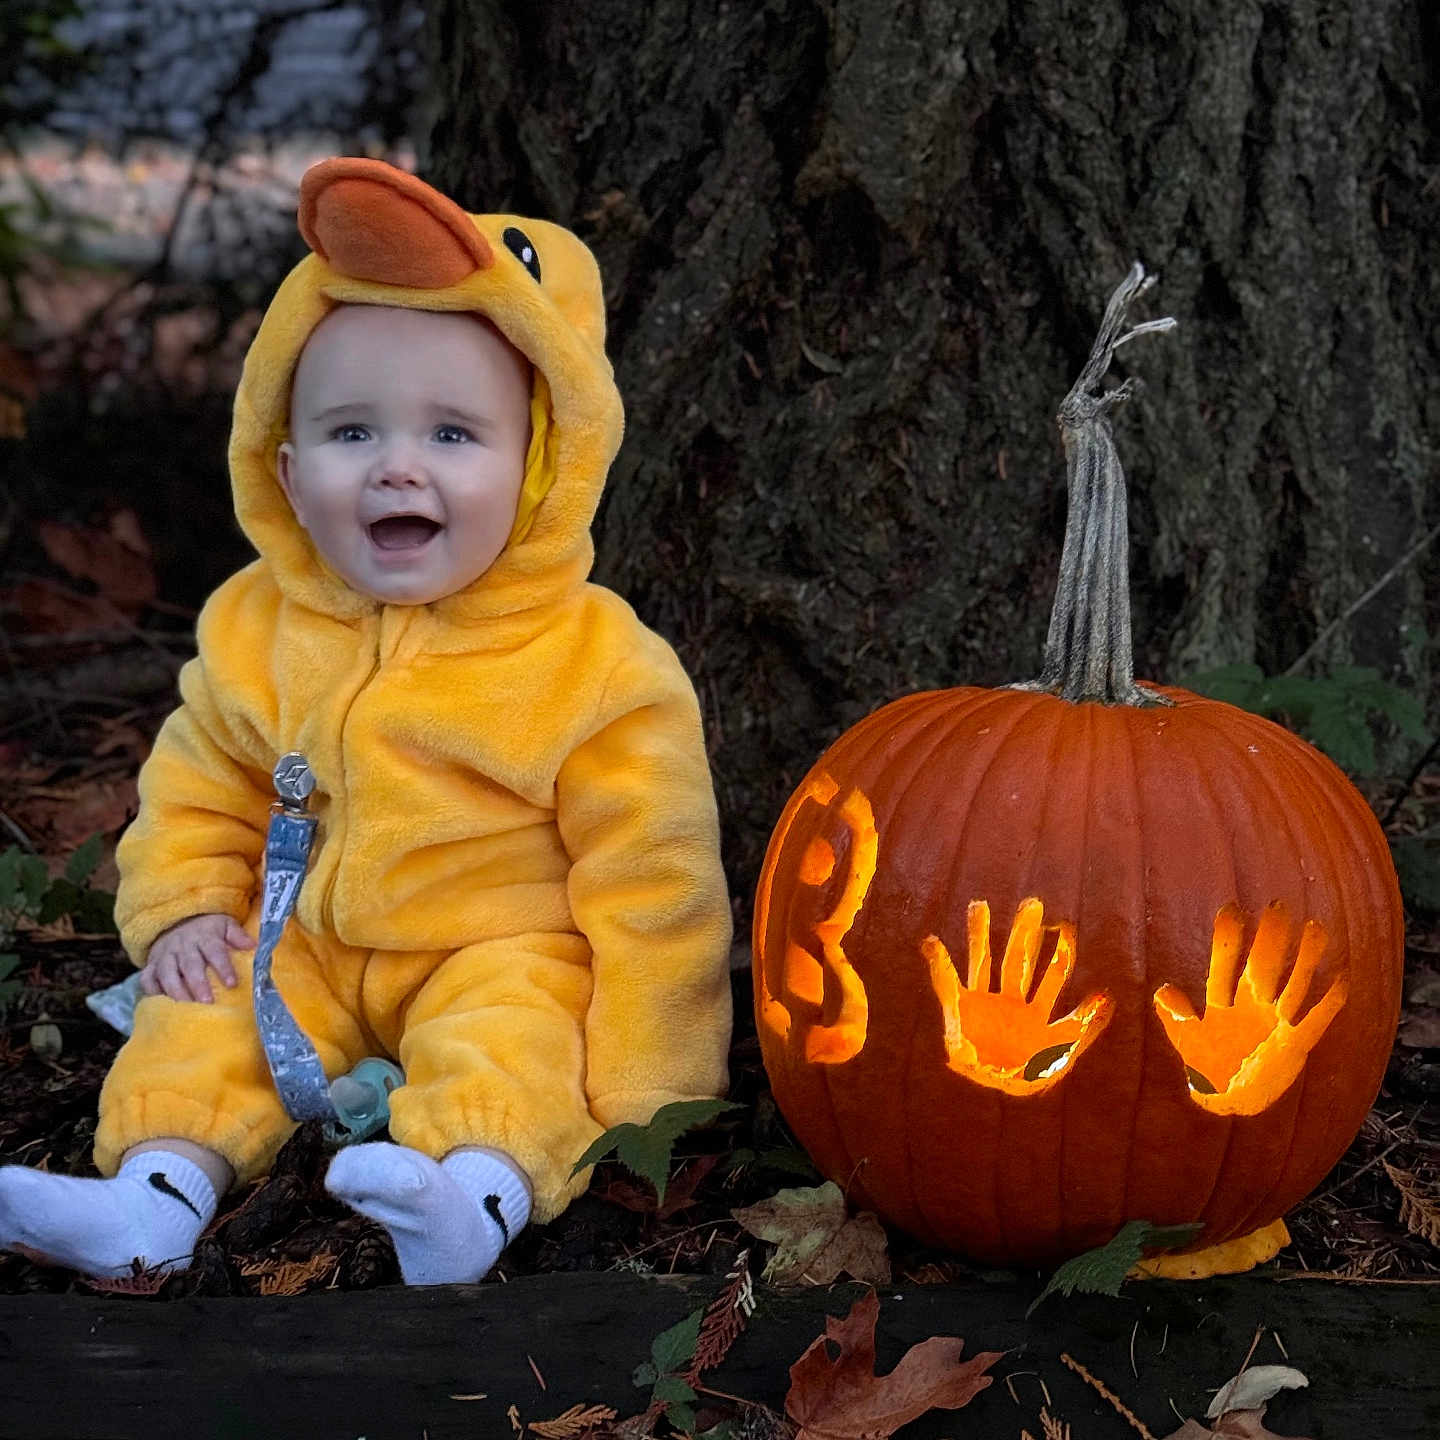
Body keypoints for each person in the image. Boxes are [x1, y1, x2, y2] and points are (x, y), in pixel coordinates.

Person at [0, 158, 733, 1285]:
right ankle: (152, 1193)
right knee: (200, 1014)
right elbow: (201, 781)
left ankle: (465, 1202)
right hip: (308, 939)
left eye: (452, 436)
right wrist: (188, 908)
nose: (398, 467)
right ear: (286, 473)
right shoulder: (256, 626)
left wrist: (656, 1090)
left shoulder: (599, 665)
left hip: (499, 945)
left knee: (521, 1042)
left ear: (539, 467)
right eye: (353, 436)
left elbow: (655, 882)